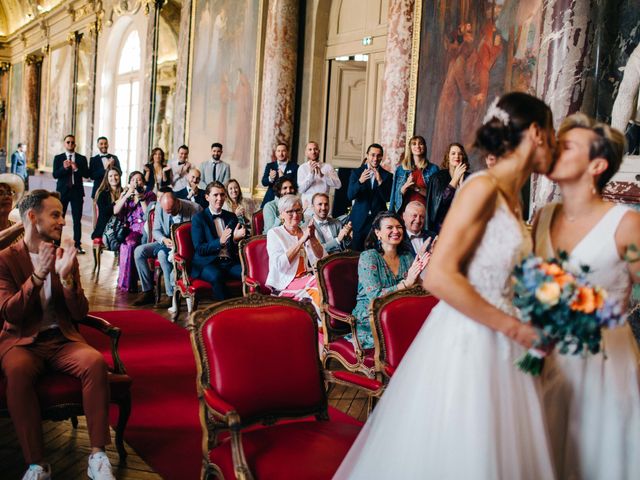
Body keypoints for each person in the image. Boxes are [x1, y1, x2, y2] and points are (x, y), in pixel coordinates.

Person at [335, 92, 558, 479]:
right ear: (536, 133)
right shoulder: (481, 188)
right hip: (475, 339)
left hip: (506, 336)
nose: (554, 144)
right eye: (552, 133)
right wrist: (511, 326)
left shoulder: (512, 199)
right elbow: (438, 276)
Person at [533, 113, 640, 480]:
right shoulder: (543, 217)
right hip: (547, 358)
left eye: (568, 145)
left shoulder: (625, 224)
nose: (554, 149)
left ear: (597, 164)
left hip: (604, 363)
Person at [0, 190, 114, 480]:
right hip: (22, 341)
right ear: (31, 217)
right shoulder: (6, 259)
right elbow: (10, 313)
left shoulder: (64, 255)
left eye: (62, 214)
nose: (63, 221)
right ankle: (37, 464)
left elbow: (78, 313)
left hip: (61, 339)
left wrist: (67, 279)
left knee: (95, 362)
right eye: (55, 214)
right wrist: (37, 277)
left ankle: (98, 455)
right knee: (16, 372)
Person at [349, 211, 429, 349]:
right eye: (390, 228)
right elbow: (375, 296)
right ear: (378, 233)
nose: (396, 231)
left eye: (399, 227)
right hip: (372, 314)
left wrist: (420, 280)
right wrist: (406, 283)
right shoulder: (369, 257)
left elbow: (415, 288)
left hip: (401, 308)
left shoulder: (407, 257)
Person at [133, 191, 201, 307]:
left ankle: (171, 296)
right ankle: (148, 291)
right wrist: (164, 240)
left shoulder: (195, 209)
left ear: (178, 203)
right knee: (139, 251)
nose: (169, 214)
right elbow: (156, 231)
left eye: (172, 211)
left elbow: (198, 235)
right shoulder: (159, 207)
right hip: (165, 242)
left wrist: (178, 244)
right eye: (167, 212)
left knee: (162, 255)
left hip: (184, 246)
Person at [266, 194, 325, 317]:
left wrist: (312, 237)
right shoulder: (274, 233)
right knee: (319, 283)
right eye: (290, 211)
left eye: (298, 210)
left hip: (308, 279)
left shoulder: (306, 229)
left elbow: (322, 258)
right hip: (285, 283)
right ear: (281, 214)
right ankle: (320, 329)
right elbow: (280, 266)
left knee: (324, 283)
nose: (295, 215)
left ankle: (324, 327)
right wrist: (301, 240)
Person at [191, 182, 246, 300]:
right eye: (215, 195)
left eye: (222, 195)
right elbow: (200, 249)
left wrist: (235, 240)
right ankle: (222, 312)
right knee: (217, 276)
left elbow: (235, 246)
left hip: (228, 262)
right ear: (207, 197)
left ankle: (248, 309)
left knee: (248, 272)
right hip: (207, 263)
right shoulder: (198, 219)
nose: (219, 198)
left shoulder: (231, 217)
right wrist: (219, 242)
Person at [113, 171, 156, 292]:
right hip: (131, 229)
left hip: (146, 228)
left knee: (133, 243)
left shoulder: (150, 194)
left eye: (139, 179)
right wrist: (126, 196)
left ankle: (141, 283)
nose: (136, 182)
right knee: (129, 243)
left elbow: (148, 215)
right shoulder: (126, 195)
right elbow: (116, 211)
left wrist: (142, 198)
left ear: (143, 182)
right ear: (129, 182)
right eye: (133, 180)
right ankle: (127, 283)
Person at [347, 143, 393, 251]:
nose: (375, 158)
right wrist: (360, 182)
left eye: (378, 155)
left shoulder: (387, 175)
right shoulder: (356, 173)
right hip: (359, 221)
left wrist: (380, 181)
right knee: (355, 255)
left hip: (377, 222)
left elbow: (387, 198)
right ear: (367, 155)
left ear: (382, 157)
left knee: (376, 254)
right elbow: (350, 195)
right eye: (372, 155)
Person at [52, 134, 89, 253]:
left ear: (75, 144)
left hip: (77, 193)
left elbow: (87, 175)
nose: (70, 144)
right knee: (59, 219)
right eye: (68, 142)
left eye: (72, 142)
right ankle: (56, 244)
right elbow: (55, 175)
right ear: (64, 144)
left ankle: (77, 245)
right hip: (62, 193)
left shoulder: (82, 158)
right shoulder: (58, 158)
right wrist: (63, 168)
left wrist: (76, 168)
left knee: (77, 219)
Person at [425, 142, 471, 233]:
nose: (457, 156)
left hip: (464, 225)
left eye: (460, 154)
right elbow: (441, 203)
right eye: (453, 153)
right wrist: (455, 179)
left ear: (463, 157)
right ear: (448, 157)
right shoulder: (437, 178)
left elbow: (470, 204)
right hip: (443, 227)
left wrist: (461, 184)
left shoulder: (470, 178)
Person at [389, 135, 439, 212]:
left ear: (425, 147)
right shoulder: (400, 169)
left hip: (425, 214)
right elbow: (394, 197)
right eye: (414, 144)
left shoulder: (433, 169)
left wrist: (416, 188)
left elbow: (436, 196)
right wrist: (405, 186)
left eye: (421, 143)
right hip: (404, 213)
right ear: (410, 148)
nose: (417, 146)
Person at [296, 141, 341, 211]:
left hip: (324, 207)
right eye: (310, 149)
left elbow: (338, 185)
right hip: (308, 208)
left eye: (315, 149)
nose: (313, 152)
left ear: (319, 151)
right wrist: (311, 174)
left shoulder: (327, 167)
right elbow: (301, 190)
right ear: (306, 153)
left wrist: (323, 176)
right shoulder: (302, 168)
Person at [260, 142, 298, 207]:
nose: (281, 153)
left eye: (283, 151)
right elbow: (264, 182)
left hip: (288, 199)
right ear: (275, 153)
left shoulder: (295, 166)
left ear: (287, 152)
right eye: (279, 151)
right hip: (271, 199)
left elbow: (296, 184)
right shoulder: (270, 166)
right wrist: (270, 178)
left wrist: (283, 177)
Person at [91, 167, 123, 241]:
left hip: (120, 226)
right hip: (104, 227)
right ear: (107, 178)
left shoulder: (123, 191)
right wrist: (116, 202)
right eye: (110, 176)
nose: (114, 178)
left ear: (119, 176)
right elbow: (103, 212)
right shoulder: (102, 193)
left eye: (116, 175)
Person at [0, 173, 25, 249]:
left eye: (9, 193)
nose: (7, 196)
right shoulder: (19, 228)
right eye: (0, 193)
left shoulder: (22, 232)